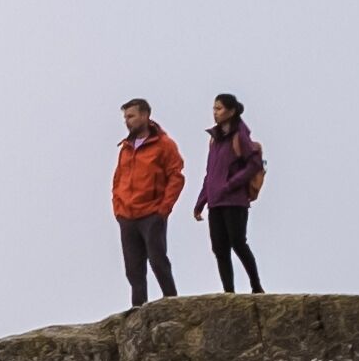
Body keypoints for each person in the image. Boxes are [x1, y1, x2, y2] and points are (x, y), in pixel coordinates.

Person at [111, 99, 186, 304]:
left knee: (157, 260)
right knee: (133, 268)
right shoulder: (126, 147)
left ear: (145, 115)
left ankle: (172, 302)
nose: (127, 121)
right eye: (126, 117)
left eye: (131, 116)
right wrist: (118, 207)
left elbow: (176, 176)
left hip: (152, 213)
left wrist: (164, 208)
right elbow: (118, 179)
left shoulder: (164, 144)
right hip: (127, 215)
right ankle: (138, 309)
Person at [200, 95, 268, 290]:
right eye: (214, 108)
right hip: (215, 202)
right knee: (220, 249)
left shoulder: (240, 135)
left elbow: (253, 163)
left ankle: (256, 285)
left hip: (234, 200)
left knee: (238, 243)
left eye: (219, 108)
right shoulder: (214, 140)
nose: (215, 112)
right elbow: (210, 173)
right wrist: (201, 201)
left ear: (231, 111)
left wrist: (230, 184)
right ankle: (229, 291)